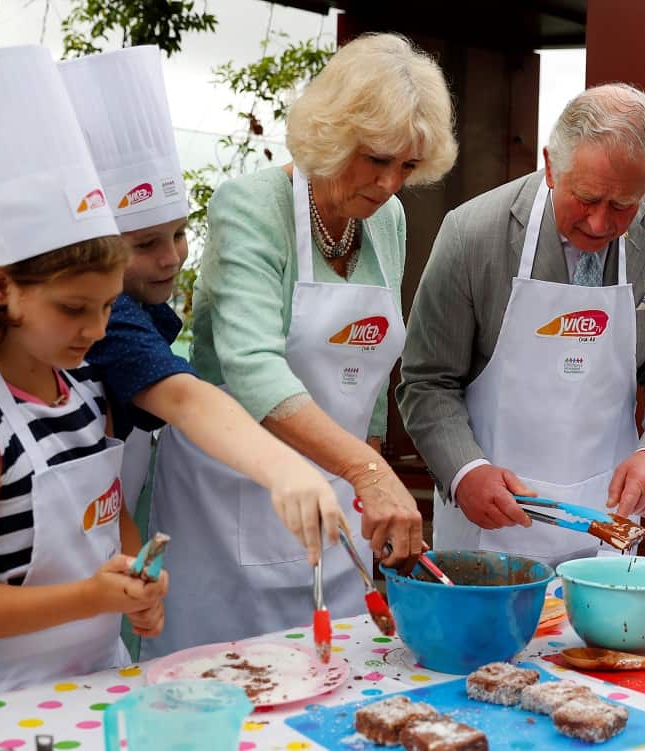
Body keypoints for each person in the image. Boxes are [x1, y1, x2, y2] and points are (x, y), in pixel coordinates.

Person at [143, 32, 457, 657]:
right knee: (233, 686)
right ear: (335, 133)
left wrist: (366, 470)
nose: (391, 183)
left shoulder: (385, 220)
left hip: (336, 503)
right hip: (228, 499)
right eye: (377, 159)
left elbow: (367, 368)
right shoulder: (252, 206)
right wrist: (368, 471)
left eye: (408, 167)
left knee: (336, 678)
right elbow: (252, 367)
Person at [0, 46, 166, 707]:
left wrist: (138, 580)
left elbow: (109, 523)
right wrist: (88, 596)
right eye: (73, 309)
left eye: (108, 306)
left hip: (97, 679)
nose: (96, 329)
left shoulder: (82, 392)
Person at [397, 83, 645, 567]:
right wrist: (464, 471)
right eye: (586, 198)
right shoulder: (474, 232)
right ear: (550, 165)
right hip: (491, 519)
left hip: (609, 517)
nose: (601, 224)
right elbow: (427, 380)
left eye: (625, 205)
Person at [60, 46, 342, 563]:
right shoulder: (111, 318)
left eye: (180, 234)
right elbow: (185, 399)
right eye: (145, 245)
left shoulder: (136, 309)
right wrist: (286, 467)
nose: (172, 259)